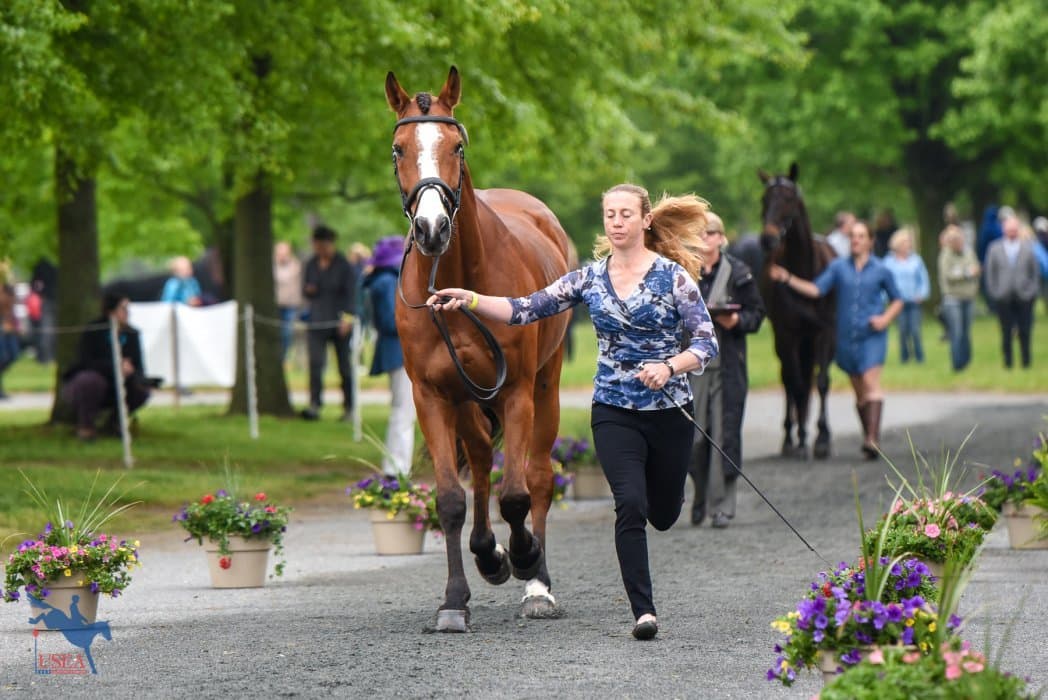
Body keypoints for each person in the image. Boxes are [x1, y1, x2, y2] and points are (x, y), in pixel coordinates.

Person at [426, 184, 719, 641]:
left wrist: (669, 366)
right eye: (610, 214)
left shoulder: (673, 278)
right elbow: (525, 309)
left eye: (626, 214)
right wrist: (471, 298)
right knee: (629, 505)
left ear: (645, 220)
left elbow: (706, 342)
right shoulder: (588, 279)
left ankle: (661, 513)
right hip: (614, 410)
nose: (617, 222)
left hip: (669, 408)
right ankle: (644, 612)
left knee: (663, 512)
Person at [769, 220, 903, 459]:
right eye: (853, 236)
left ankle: (872, 439)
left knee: (871, 384)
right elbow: (816, 290)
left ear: (871, 241)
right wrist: (787, 277)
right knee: (860, 392)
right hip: (847, 336)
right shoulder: (838, 267)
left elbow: (898, 299)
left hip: (872, 335)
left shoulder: (881, 269)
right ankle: (868, 436)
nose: (856, 240)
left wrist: (885, 319)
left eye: (861, 236)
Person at [687, 212, 765, 529]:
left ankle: (721, 506)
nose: (704, 239)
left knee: (724, 436)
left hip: (728, 365)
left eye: (709, 233)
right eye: (699, 234)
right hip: (692, 367)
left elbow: (757, 313)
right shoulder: (684, 271)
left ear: (721, 238)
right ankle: (700, 493)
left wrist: (737, 321)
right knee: (693, 439)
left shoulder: (739, 272)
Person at [61, 293, 151, 442]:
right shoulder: (94, 331)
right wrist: (115, 366)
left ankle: (117, 422)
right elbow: (86, 361)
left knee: (140, 389)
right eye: (123, 309)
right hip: (96, 381)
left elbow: (138, 364)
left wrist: (136, 374)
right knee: (90, 382)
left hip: (123, 383)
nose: (127, 313)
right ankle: (86, 426)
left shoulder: (132, 334)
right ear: (111, 311)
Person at [363, 236, 416, 476]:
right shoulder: (387, 282)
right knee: (403, 413)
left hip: (396, 352)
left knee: (401, 411)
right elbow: (389, 321)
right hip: (399, 352)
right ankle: (397, 469)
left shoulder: (383, 280)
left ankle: (396, 467)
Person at [301, 225, 357, 421]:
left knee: (344, 367)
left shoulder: (343, 265)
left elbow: (351, 294)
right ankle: (315, 404)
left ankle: (349, 406)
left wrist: (348, 318)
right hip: (317, 321)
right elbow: (305, 290)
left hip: (339, 321)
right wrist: (308, 290)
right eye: (317, 246)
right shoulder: (311, 264)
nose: (320, 249)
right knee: (315, 364)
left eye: (323, 245)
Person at [984, 214, 1039, 369]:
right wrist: (994, 292)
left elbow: (1034, 272)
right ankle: (1008, 362)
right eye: (1009, 230)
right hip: (1004, 296)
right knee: (1006, 331)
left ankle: (1026, 361)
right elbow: (990, 272)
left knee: (1025, 330)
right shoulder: (994, 248)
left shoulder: (1028, 248)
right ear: (1004, 230)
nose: (1012, 232)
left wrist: (1032, 291)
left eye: (1014, 229)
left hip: (1024, 295)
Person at [882, 227, 930, 364]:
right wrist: (886, 298)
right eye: (905, 242)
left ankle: (919, 357)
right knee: (902, 331)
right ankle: (905, 358)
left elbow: (923, 279)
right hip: (898, 302)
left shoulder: (916, 260)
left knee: (915, 330)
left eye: (908, 242)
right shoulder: (888, 261)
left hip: (914, 300)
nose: (907, 245)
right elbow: (884, 282)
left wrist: (922, 293)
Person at [937, 225, 980, 372]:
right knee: (957, 331)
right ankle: (957, 364)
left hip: (968, 296)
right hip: (952, 299)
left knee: (966, 331)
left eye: (959, 239)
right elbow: (950, 276)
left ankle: (966, 362)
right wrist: (967, 273)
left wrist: (965, 272)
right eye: (954, 240)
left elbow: (976, 269)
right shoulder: (945, 256)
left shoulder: (969, 252)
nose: (958, 242)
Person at [273, 241, 302, 363]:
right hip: (276, 305)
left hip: (290, 305)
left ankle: (283, 358)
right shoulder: (273, 266)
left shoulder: (295, 266)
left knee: (287, 333)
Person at [30, 257, 57, 363]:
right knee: (47, 332)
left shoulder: (43, 264)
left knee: (48, 331)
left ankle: (47, 357)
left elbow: (33, 284)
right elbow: (34, 284)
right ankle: (47, 357)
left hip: (49, 300)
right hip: (49, 300)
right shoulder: (44, 263)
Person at [0, 281, 22, 399]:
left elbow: (13, 320)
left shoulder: (9, 304)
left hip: (8, 334)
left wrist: (15, 327)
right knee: (2, 357)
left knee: (13, 354)